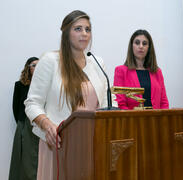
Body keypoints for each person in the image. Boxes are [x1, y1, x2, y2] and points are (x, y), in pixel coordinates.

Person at [24, 10, 116, 180]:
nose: (84, 34)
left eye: (88, 29)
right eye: (78, 29)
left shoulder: (97, 62)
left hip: (92, 144)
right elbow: (32, 103)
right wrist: (46, 124)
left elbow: (108, 101)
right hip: (58, 143)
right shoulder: (50, 61)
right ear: (66, 33)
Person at [113, 29, 169, 109]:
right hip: (132, 120)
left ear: (149, 48)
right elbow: (120, 104)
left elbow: (164, 103)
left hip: (156, 120)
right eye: (137, 43)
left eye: (144, 43)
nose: (141, 46)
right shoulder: (121, 71)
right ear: (131, 46)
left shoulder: (157, 72)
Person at [9, 57, 39, 180]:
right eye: (33, 65)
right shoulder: (20, 85)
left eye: (39, 65)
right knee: (24, 158)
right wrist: (22, 124)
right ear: (28, 68)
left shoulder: (44, 85)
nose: (36, 68)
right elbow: (15, 108)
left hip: (40, 125)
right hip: (25, 125)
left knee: (38, 157)